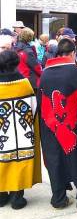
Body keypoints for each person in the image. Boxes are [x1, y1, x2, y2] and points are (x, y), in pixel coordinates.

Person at [38, 38, 77, 211]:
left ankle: (59, 199)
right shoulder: (75, 72)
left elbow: (41, 101)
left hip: (51, 126)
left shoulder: (45, 74)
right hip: (74, 124)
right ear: (72, 54)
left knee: (54, 158)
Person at [0, 50, 41, 209]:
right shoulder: (24, 84)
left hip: (3, 135)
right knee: (20, 164)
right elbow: (33, 107)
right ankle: (17, 198)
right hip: (23, 135)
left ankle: (2, 197)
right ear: (16, 63)